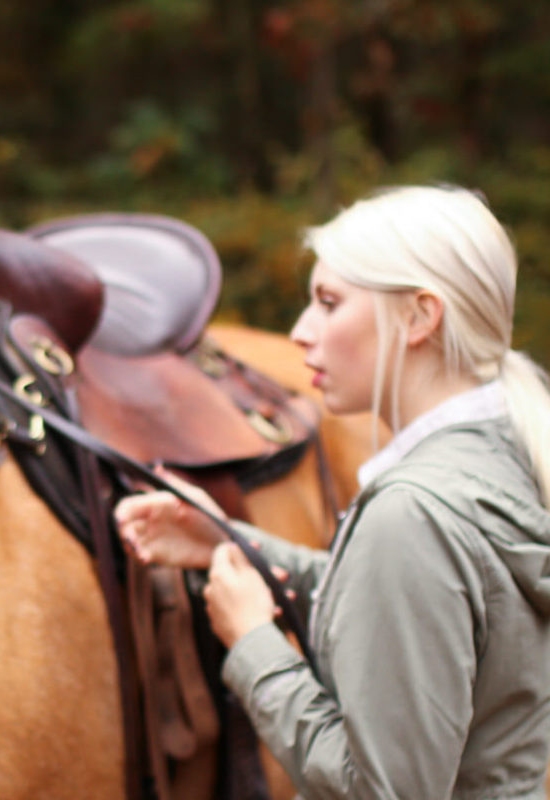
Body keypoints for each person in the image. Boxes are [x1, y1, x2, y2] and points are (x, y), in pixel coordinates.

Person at [114, 185, 550, 799]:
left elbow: (379, 790)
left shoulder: (413, 512)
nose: (299, 332)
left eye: (328, 302)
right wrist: (237, 542)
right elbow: (430, 612)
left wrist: (252, 644)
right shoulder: (500, 454)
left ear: (420, 317)